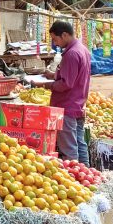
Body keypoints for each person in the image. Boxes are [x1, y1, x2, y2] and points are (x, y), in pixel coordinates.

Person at [32, 21, 91, 165]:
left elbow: (66, 84)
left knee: (69, 148)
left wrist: (44, 85)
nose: (55, 43)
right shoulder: (82, 49)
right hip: (78, 103)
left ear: (64, 35)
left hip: (67, 105)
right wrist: (53, 75)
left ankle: (74, 177)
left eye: (55, 39)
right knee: (79, 142)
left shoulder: (71, 54)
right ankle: (87, 173)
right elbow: (72, 76)